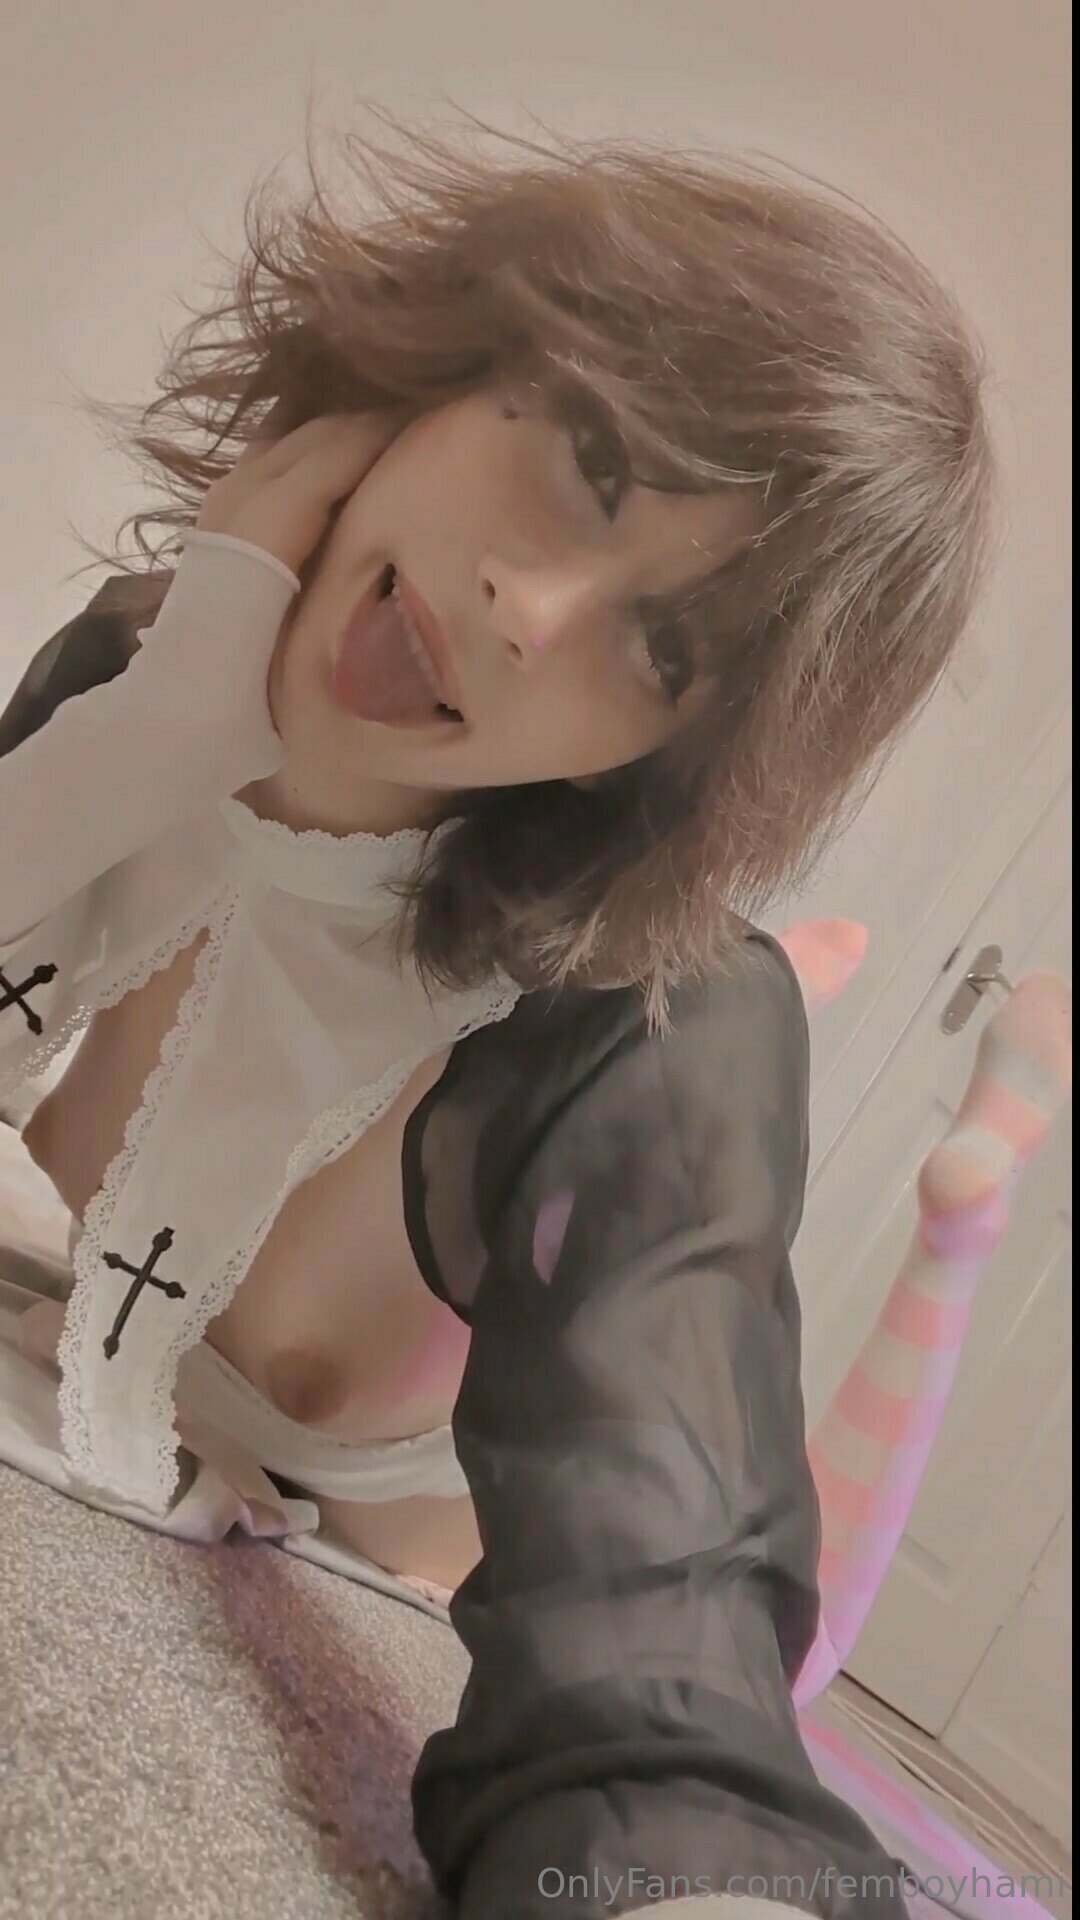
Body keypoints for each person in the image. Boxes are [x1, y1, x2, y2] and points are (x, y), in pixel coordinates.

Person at [0, 108, 998, 1918]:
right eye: (590, 464)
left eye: (663, 652)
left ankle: (972, 1175)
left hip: (496, 1531)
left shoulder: (650, 1037)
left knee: (810, 1609)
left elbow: (661, 1674)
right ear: (457, 355)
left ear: (664, 754)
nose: (531, 608)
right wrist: (150, 741)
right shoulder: (137, 677)